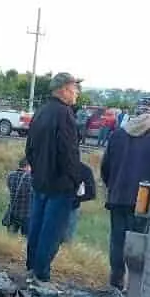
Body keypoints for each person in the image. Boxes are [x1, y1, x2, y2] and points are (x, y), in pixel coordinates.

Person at [24, 72, 96, 283]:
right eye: (75, 88)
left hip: (40, 181)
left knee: (36, 227)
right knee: (51, 232)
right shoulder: (64, 114)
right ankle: (41, 277)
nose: (77, 93)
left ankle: (31, 270)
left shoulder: (42, 111)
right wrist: (75, 181)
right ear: (64, 89)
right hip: (60, 184)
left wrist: (38, 171)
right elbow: (69, 153)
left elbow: (29, 149)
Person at [101, 96, 150, 291]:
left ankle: (116, 281)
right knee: (138, 241)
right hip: (143, 199)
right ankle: (135, 284)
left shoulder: (119, 133)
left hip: (118, 195)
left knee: (117, 240)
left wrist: (113, 185)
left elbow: (106, 167)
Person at [3, 158, 32, 236]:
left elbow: (9, 188)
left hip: (12, 213)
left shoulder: (10, 176)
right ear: (28, 166)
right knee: (27, 239)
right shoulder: (31, 178)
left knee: (10, 239)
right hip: (27, 214)